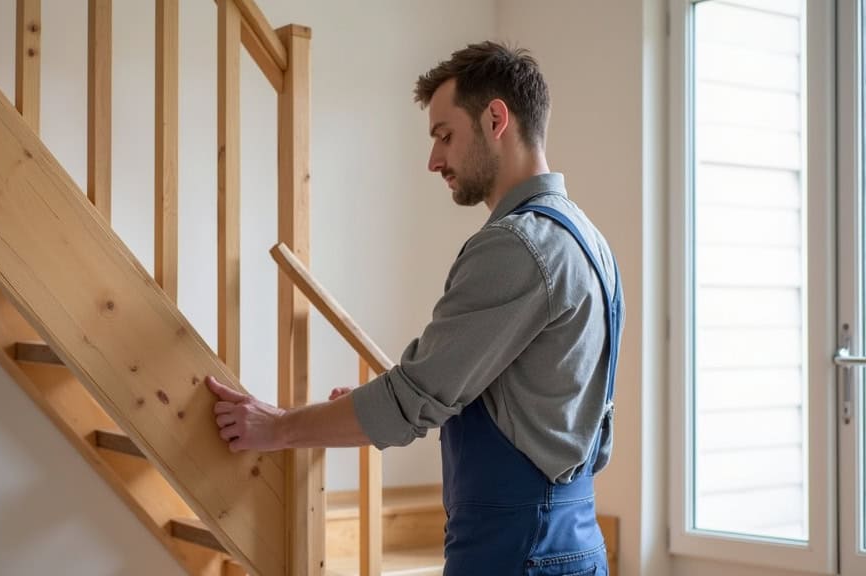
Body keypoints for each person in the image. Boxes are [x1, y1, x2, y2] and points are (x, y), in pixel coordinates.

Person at [206, 41, 623, 576]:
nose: (434, 161)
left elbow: (413, 403)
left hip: (517, 555)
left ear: (497, 118)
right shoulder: (587, 240)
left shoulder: (518, 246)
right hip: (573, 545)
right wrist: (376, 399)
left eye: (445, 135)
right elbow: (525, 404)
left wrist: (280, 426)